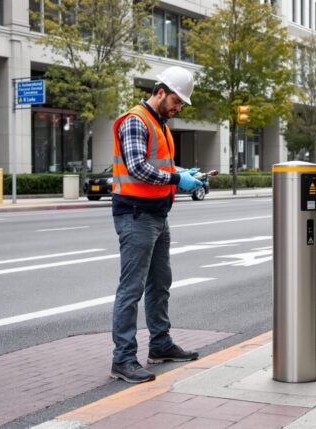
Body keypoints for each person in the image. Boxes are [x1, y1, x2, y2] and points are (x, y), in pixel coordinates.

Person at [110, 66, 204, 383]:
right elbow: (137, 168)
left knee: (160, 283)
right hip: (136, 214)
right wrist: (179, 179)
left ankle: (160, 344)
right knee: (131, 289)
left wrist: (183, 172)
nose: (179, 107)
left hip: (156, 214)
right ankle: (123, 359)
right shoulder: (136, 120)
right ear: (160, 92)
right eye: (177, 100)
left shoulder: (159, 123)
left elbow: (156, 164)